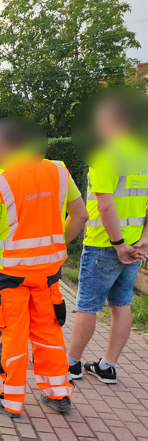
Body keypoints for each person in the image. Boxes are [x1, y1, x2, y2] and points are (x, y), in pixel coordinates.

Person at [0, 117, 88, 418]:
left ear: (3, 145)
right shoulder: (59, 170)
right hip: (48, 273)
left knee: (13, 333)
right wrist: (53, 246)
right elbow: (80, 216)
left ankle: (10, 400)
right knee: (48, 330)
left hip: (8, 274)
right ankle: (59, 394)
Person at [67, 92, 148, 384]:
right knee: (121, 304)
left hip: (106, 244)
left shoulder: (106, 155)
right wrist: (143, 241)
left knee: (87, 305)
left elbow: (105, 204)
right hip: (135, 246)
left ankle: (71, 365)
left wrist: (118, 244)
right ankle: (107, 366)